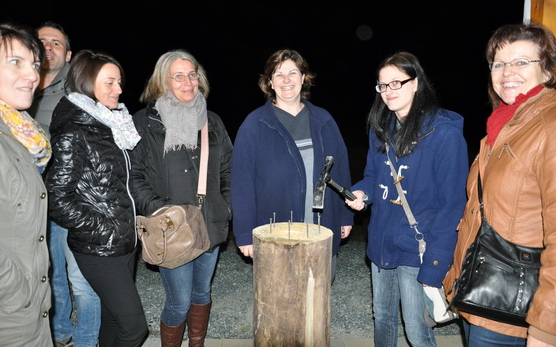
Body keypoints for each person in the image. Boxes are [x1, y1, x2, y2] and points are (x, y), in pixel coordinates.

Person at [444, 23, 556, 347]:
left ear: (547, 70)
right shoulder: (504, 124)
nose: (507, 71)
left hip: (516, 311)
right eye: (499, 63)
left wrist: (546, 330)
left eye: (521, 62)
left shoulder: (548, 126)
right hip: (482, 294)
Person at [345, 51, 468, 347]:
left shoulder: (443, 134)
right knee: (383, 319)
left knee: (417, 329)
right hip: (382, 239)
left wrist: (436, 264)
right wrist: (363, 192)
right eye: (383, 85)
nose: (388, 91)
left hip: (418, 246)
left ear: (416, 83)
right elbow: (374, 177)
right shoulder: (381, 130)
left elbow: (453, 205)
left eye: (396, 83)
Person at [45, 49, 148, 347]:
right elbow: (57, 198)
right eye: (109, 83)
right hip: (99, 248)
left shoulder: (112, 126)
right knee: (135, 327)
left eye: (119, 82)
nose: (119, 89)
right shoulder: (73, 132)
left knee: (114, 321)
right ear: (87, 84)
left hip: (125, 244)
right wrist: (104, 229)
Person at [130, 49, 232, 347]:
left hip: (210, 222)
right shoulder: (145, 122)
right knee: (179, 303)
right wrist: (159, 211)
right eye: (178, 76)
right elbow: (134, 175)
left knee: (202, 295)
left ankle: (197, 343)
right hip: (170, 230)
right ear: (163, 80)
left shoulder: (211, 120)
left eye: (192, 74)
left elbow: (228, 168)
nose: (188, 82)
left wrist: (226, 206)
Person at [231, 48, 353, 276]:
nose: (286, 80)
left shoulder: (323, 120)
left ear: (304, 78)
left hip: (321, 229)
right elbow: (242, 184)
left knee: (319, 299)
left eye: (293, 72)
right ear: (270, 82)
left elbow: (341, 170)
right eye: (278, 74)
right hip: (276, 233)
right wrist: (245, 234)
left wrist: (345, 216)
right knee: (282, 303)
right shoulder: (255, 124)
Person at [28, 21, 100, 347]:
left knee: (82, 279)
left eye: (56, 43)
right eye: (42, 41)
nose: (48, 47)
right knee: (50, 273)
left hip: (75, 199)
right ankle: (61, 336)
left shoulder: (82, 88)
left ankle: (86, 340)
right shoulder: (20, 89)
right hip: (34, 203)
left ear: (68, 53)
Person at [0, 22, 52, 345]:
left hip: (33, 310)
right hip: (8, 316)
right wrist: (14, 290)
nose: (33, 75)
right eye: (15, 62)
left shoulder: (23, 134)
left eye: (33, 64)